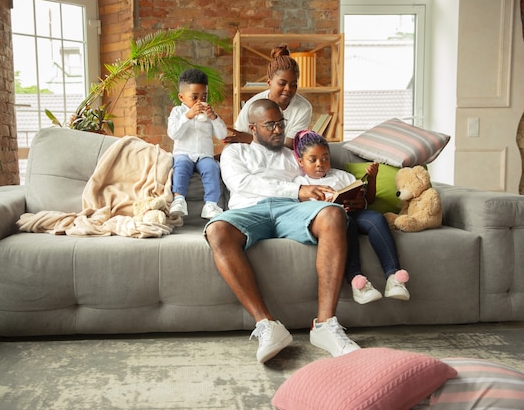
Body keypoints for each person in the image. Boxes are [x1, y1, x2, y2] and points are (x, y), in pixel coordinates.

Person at [204, 98, 360, 364]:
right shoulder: (235, 152)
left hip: (293, 210)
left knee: (334, 215)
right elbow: (241, 182)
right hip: (250, 210)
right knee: (217, 230)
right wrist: (296, 190)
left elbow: (322, 173)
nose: (278, 129)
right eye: (270, 125)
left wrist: (351, 197)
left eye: (281, 123)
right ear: (252, 128)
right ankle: (267, 325)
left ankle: (325, 326)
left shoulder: (295, 155)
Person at [292, 130, 410, 305]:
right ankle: (358, 282)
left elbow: (366, 200)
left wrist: (368, 186)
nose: (320, 164)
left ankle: (394, 277)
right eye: (313, 159)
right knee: (346, 225)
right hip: (332, 222)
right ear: (301, 161)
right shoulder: (300, 184)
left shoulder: (341, 176)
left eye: (325, 158)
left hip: (353, 213)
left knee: (376, 219)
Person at [225, 44, 312, 150]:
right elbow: (239, 139)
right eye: (282, 83)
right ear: (269, 82)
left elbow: (289, 148)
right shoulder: (253, 105)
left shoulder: (303, 108)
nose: (288, 89)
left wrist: (251, 139)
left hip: (283, 160)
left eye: (293, 84)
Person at [167, 68, 227, 219]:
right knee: (180, 167)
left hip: (204, 155)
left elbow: (222, 135)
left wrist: (214, 118)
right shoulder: (177, 112)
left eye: (204, 96)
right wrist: (188, 116)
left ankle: (211, 205)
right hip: (183, 153)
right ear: (181, 97)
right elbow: (174, 133)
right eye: (194, 97)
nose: (200, 101)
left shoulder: (209, 113)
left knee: (212, 167)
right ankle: (179, 200)